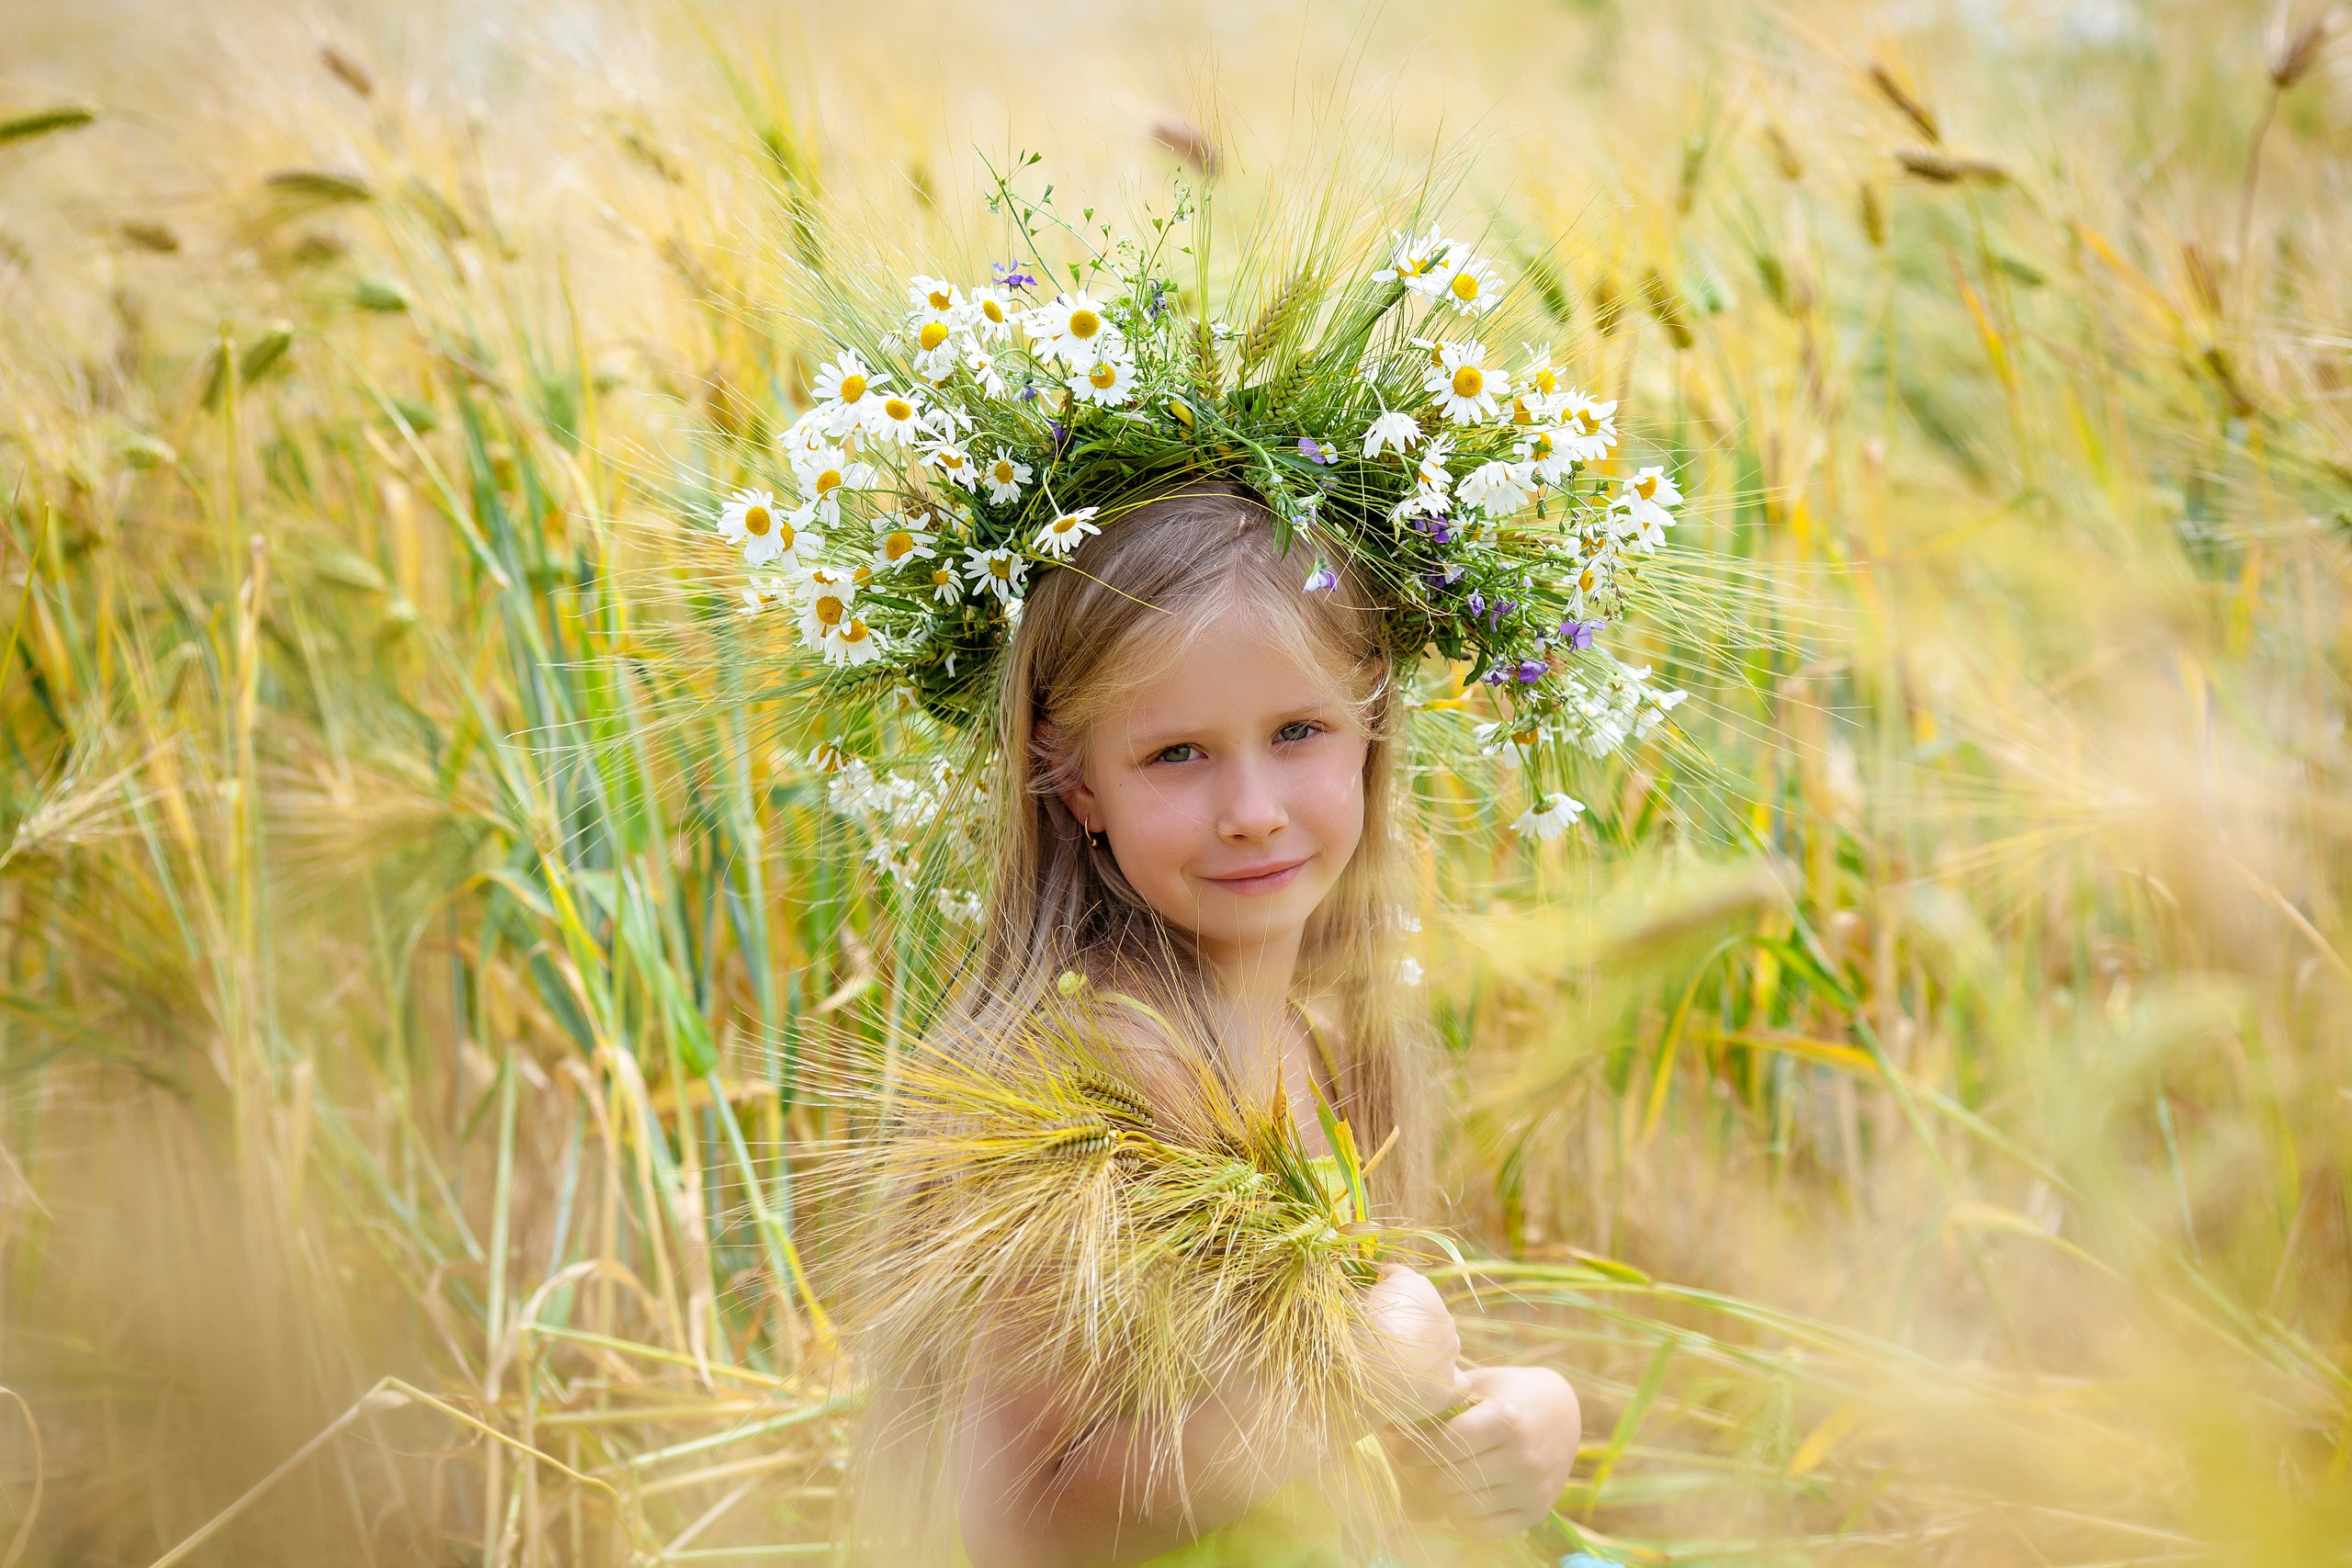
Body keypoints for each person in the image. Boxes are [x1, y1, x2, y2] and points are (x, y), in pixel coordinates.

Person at [850, 484, 1582, 1568]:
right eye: (1178, 754)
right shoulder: (1090, 1084)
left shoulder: (1316, 1042)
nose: (1252, 810)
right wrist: (1354, 1378)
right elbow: (1024, 1524)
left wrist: (1514, 1418)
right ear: (1074, 779)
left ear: (1370, 724)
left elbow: (1318, 1444)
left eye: (1296, 732)